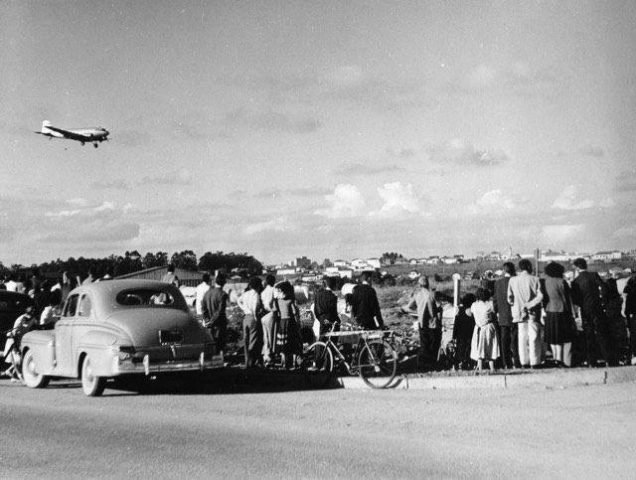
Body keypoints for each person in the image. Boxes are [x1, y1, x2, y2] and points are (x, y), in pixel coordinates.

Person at [571, 258, 616, 367]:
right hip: (597, 308)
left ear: (577, 267)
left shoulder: (576, 281)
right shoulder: (594, 275)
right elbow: (604, 289)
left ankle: (592, 361)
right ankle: (608, 359)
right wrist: (603, 302)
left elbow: (575, 299)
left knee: (589, 335)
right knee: (602, 333)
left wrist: (581, 305)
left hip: (585, 310)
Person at [507, 259, 543, 368]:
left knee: (522, 337)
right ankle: (535, 361)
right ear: (529, 267)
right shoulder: (535, 279)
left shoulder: (513, 280)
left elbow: (510, 298)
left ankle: (524, 362)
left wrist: (517, 304)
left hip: (518, 312)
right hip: (532, 312)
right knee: (534, 337)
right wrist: (530, 304)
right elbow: (540, 296)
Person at [542, 262, 576, 367]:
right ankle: (563, 361)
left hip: (550, 311)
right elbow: (568, 300)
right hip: (562, 311)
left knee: (553, 339)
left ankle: (556, 359)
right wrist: (573, 314)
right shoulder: (562, 282)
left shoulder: (545, 282)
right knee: (563, 339)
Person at [407, 276, 441, 371]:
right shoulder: (432, 294)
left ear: (419, 285)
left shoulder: (417, 295)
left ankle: (422, 364)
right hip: (432, 323)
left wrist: (418, 312)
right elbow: (439, 307)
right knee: (433, 344)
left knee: (424, 344)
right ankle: (432, 364)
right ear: (428, 284)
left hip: (422, 323)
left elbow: (409, 307)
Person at [493, 262, 519, 369]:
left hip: (503, 315)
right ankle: (517, 362)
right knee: (515, 340)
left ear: (504, 271)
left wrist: (497, 311)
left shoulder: (498, 283)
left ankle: (506, 363)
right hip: (515, 314)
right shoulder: (516, 281)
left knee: (504, 341)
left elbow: (495, 300)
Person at [1, 305, 37, 379]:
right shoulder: (21, 319)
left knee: (18, 358)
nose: (30, 315)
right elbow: (15, 331)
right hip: (13, 339)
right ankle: (17, 374)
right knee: (15, 358)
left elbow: (35, 326)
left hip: (21, 340)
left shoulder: (33, 319)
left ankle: (9, 372)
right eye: (30, 313)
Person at [470, 287, 500, 373]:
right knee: (490, 347)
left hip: (478, 327)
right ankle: (492, 368)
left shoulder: (474, 305)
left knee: (479, 348)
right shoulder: (489, 305)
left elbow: (472, 314)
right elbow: (494, 314)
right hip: (488, 327)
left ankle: (480, 368)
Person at [273, 281, 301, 369]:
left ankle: (284, 362)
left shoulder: (278, 301)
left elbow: (276, 311)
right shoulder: (290, 300)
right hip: (291, 322)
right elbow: (294, 312)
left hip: (282, 322)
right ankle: (294, 363)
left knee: (283, 344)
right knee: (293, 342)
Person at [237, 277, 264, 368]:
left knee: (246, 340)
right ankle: (251, 362)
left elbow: (238, 300)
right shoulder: (256, 294)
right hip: (253, 318)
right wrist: (255, 314)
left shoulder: (245, 293)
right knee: (253, 341)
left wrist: (244, 308)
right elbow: (255, 305)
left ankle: (246, 361)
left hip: (246, 317)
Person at [201, 272, 229, 357]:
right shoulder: (223, 294)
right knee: (220, 346)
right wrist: (212, 321)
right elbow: (220, 311)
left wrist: (207, 320)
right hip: (219, 324)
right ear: (224, 283)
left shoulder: (207, 293)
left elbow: (203, 308)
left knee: (211, 344)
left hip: (209, 324)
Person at [452, 293, 476, 370]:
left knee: (460, 349)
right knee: (468, 349)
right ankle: (468, 363)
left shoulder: (459, 311)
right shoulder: (472, 311)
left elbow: (456, 324)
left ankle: (459, 363)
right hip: (470, 334)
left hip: (460, 335)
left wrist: (454, 335)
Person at [260, 274, 277, 366]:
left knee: (265, 336)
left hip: (263, 315)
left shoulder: (263, 292)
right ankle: (270, 357)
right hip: (271, 314)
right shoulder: (273, 290)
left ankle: (266, 356)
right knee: (271, 336)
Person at [624, 271, 636, 364]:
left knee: (633, 335)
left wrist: (627, 314)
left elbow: (627, 303)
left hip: (633, 314)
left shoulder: (630, 285)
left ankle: (634, 355)